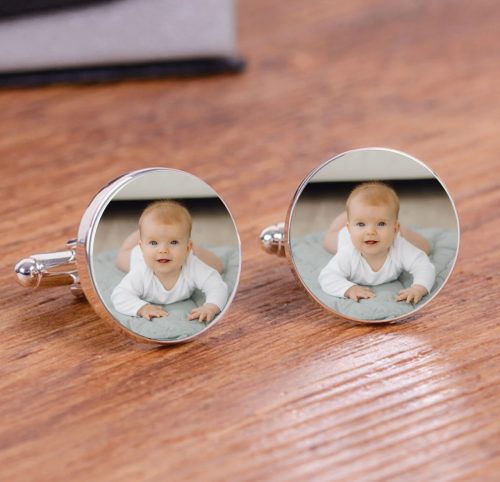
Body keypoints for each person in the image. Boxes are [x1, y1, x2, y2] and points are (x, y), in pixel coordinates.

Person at [318, 182, 435, 304]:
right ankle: (351, 215)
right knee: (329, 239)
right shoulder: (347, 252)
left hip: (391, 235)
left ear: (395, 230)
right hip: (347, 237)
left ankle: (390, 225)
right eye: (361, 224)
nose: (370, 232)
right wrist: (350, 289)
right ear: (350, 230)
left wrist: (418, 288)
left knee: (425, 249)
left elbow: (424, 267)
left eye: (381, 224)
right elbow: (327, 277)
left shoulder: (399, 246)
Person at [111, 200, 228, 323]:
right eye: (154, 242)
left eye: (173, 242)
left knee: (218, 267)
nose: (163, 250)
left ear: (188, 248)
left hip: (185, 253)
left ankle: (184, 245)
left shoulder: (192, 264)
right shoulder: (140, 270)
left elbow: (217, 285)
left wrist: (210, 307)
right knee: (121, 257)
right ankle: (142, 234)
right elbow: (120, 296)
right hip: (139, 255)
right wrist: (142, 308)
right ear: (142, 248)